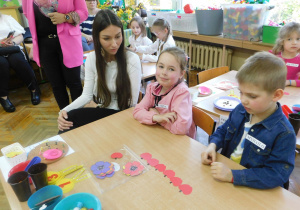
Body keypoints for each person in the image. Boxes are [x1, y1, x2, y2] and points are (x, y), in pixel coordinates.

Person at [201, 52, 296, 189]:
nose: (243, 100)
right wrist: (213, 145)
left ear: (276, 95)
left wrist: (233, 175)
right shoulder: (241, 109)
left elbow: (276, 174)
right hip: (226, 177)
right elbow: (223, 130)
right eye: (241, 92)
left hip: (252, 186)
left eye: (252, 96)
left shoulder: (284, 133)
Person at [57, 9, 141, 132]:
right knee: (67, 118)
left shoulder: (132, 59)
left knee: (73, 119)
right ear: (97, 38)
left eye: (118, 37)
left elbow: (131, 103)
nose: (114, 44)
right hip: (102, 110)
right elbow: (86, 95)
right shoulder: (92, 58)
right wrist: (63, 111)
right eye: (107, 38)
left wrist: (98, 111)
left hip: (123, 114)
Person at [22, 0, 88, 110]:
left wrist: (66, 17)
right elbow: (27, 13)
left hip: (69, 41)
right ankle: (65, 117)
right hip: (44, 45)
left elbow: (83, 13)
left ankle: (79, 117)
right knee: (57, 85)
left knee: (74, 83)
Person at [133, 47, 195, 138]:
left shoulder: (181, 92)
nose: (164, 72)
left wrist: (158, 117)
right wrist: (155, 117)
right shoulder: (152, 88)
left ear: (181, 74)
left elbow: (181, 128)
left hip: (178, 141)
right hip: (159, 135)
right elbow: (137, 111)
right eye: (161, 66)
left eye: (171, 69)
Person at [0, 12, 40, 113]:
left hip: (11, 48)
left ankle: (34, 89)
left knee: (18, 60)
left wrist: (12, 42)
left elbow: (20, 36)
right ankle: (3, 97)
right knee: (1, 64)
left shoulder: (7, 18)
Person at [271, 22, 300, 87]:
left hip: (290, 91)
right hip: (271, 88)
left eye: (298, 39)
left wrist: (289, 82)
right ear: (281, 41)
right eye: (289, 39)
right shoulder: (272, 55)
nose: (294, 43)